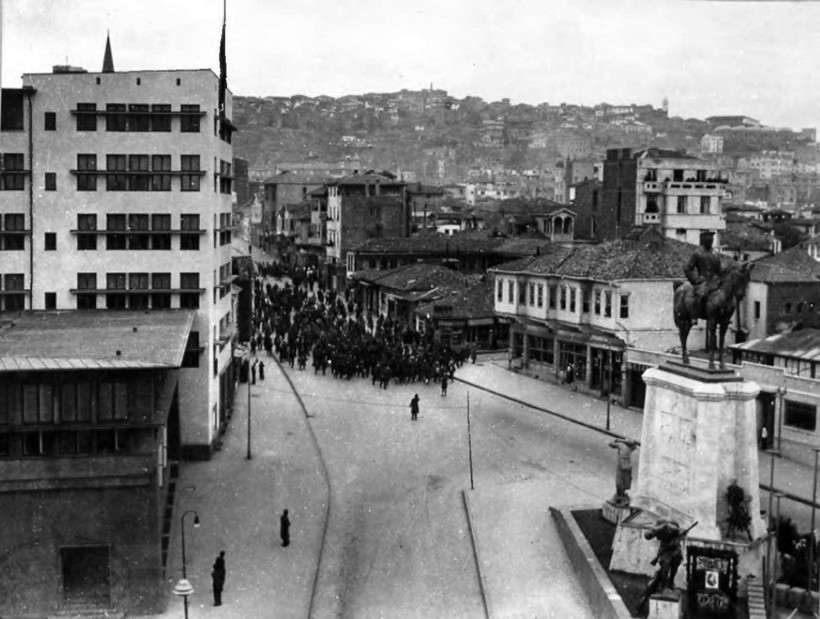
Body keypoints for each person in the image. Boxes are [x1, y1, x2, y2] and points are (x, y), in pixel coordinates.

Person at [683, 230, 725, 319]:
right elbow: (688, 268)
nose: (711, 240)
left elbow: (719, 269)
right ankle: (694, 315)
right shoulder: (697, 253)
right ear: (703, 239)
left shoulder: (715, 254)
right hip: (702, 282)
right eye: (708, 238)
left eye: (712, 238)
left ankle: (723, 317)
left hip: (714, 282)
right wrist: (695, 279)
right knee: (700, 295)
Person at [608, 439, 639, 506]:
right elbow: (634, 446)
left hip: (622, 466)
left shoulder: (622, 445)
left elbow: (610, 443)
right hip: (626, 466)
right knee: (623, 482)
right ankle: (621, 497)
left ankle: (620, 497)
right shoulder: (629, 448)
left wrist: (619, 440)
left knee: (619, 482)